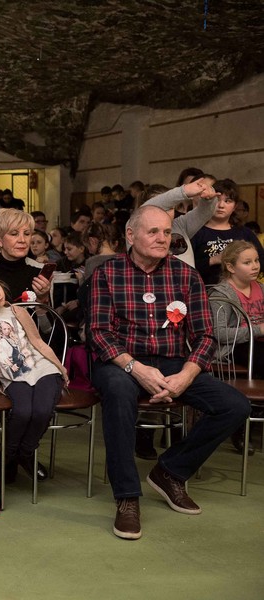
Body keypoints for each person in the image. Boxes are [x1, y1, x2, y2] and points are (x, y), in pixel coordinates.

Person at [88, 205, 251, 540]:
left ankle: (171, 471)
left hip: (174, 362)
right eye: (153, 232)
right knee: (118, 392)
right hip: (122, 362)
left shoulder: (186, 275)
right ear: (131, 235)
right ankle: (127, 497)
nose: (162, 238)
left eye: (166, 232)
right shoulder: (107, 273)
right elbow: (99, 333)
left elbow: (206, 336)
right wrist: (136, 369)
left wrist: (186, 376)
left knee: (235, 406)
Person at [0, 269, 67, 482]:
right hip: (13, 376)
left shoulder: (18, 311)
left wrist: (60, 367)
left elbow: (38, 342)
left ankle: (20, 454)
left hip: (44, 369)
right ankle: (14, 455)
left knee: (42, 411)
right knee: (22, 412)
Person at [208, 240, 264, 454]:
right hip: (234, 348)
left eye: (256, 260)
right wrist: (258, 330)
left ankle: (254, 414)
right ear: (231, 267)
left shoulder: (261, 289)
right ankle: (243, 423)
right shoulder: (221, 294)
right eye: (247, 262)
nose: (255, 266)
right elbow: (220, 333)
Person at [192, 179, 264, 285]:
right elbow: (185, 268)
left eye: (228, 201)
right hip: (206, 290)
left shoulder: (245, 233)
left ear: (235, 206)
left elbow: (261, 261)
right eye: (217, 200)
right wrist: (213, 260)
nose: (221, 205)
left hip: (241, 290)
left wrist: (245, 262)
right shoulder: (196, 233)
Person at [0, 209, 52, 304]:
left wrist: (42, 299)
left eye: (27, 234)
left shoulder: (40, 271)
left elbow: (49, 313)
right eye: (14, 234)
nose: (22, 240)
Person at [143, 177, 219, 268]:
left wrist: (208, 199)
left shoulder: (180, 224)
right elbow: (145, 208)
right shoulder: (136, 228)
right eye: (160, 208)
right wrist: (183, 191)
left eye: (170, 207)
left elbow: (204, 213)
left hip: (187, 276)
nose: (164, 213)